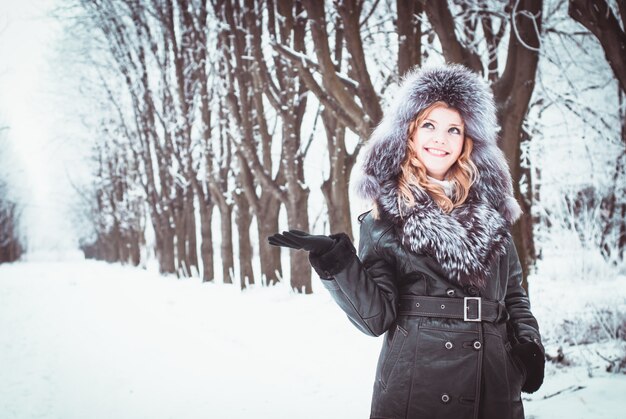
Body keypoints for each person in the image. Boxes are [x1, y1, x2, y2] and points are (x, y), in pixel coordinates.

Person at [268, 64, 544, 419]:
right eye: (428, 125)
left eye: (453, 130)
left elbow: (514, 294)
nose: (440, 139)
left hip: (493, 382)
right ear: (409, 135)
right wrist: (335, 260)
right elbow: (376, 318)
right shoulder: (383, 219)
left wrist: (528, 344)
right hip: (419, 381)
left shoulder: (493, 213)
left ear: (466, 142)